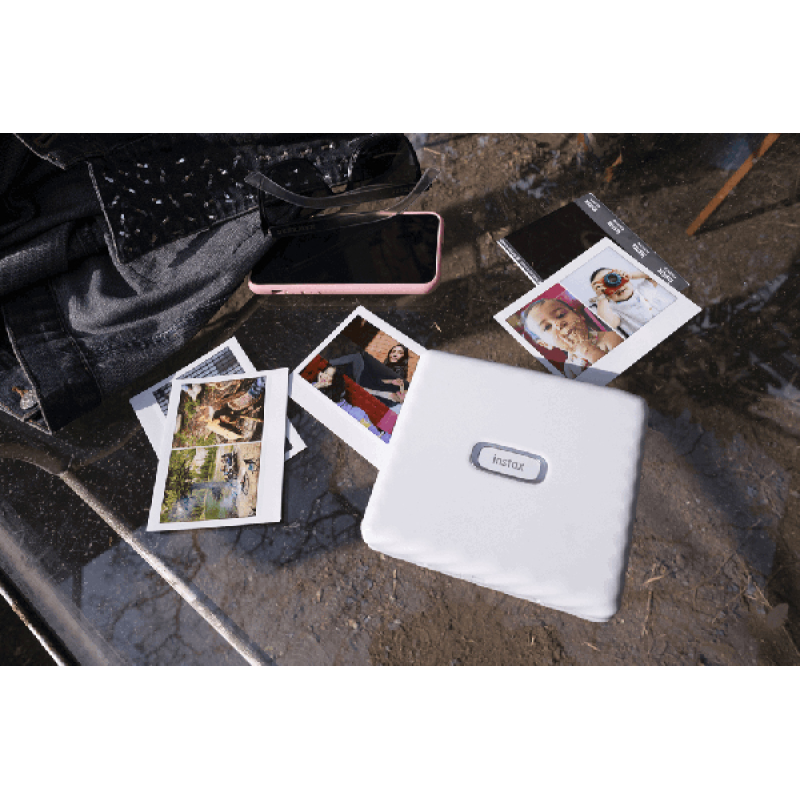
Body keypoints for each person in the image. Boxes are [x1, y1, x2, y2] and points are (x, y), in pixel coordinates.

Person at [521, 297, 623, 378]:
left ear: (579, 315)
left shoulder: (611, 338)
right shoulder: (569, 367)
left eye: (561, 315)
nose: (558, 323)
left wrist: (589, 351)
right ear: (545, 344)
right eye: (547, 327)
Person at [312, 366, 391, 442]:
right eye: (325, 372)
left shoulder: (335, 391)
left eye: (330, 376)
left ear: (334, 380)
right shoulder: (314, 385)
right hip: (345, 418)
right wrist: (319, 385)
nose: (325, 376)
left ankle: (383, 437)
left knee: (374, 434)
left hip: (353, 413)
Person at [589, 266, 674, 336]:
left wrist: (631, 275)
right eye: (606, 287)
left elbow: (656, 275)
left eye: (613, 278)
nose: (615, 286)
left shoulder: (642, 290)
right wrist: (601, 298)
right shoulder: (614, 310)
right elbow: (608, 324)